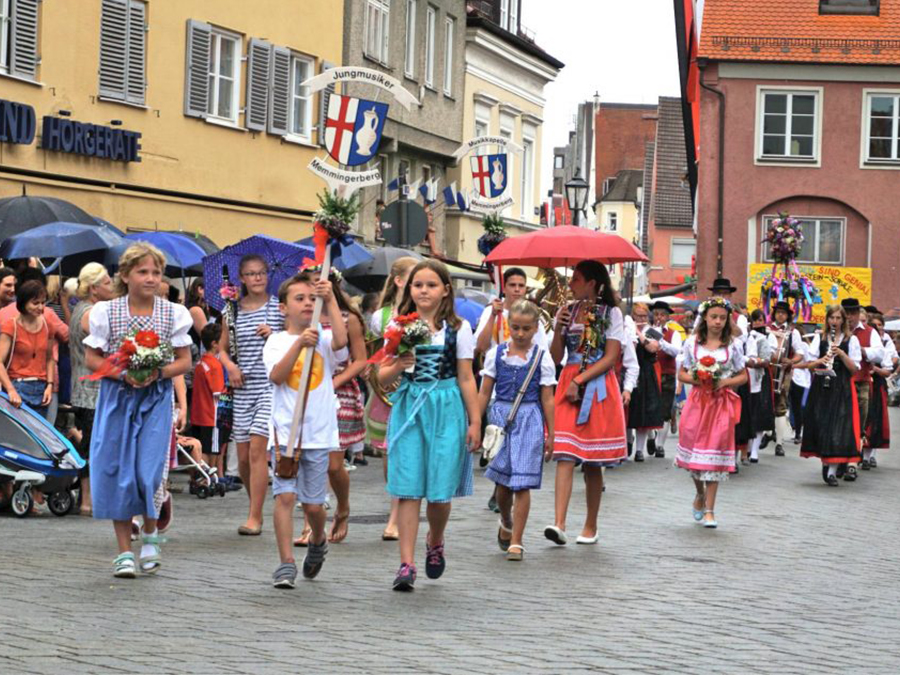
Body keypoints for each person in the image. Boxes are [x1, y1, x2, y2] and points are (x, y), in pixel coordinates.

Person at [84, 243, 193, 577]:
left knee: (148, 471)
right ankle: (123, 552)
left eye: (156, 272)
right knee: (118, 471)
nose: (150, 278)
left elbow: (185, 361)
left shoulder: (173, 313)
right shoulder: (107, 312)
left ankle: (150, 532)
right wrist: (124, 373)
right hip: (117, 398)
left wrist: (157, 373)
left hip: (155, 399)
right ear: (126, 275)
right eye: (143, 272)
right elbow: (93, 358)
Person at [377, 260, 481, 591]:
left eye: (431, 285)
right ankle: (405, 564)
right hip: (411, 407)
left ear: (445, 290)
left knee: (439, 492)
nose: (423, 290)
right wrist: (400, 365)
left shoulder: (459, 328)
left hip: (447, 406)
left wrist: (475, 420)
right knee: (408, 486)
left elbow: (466, 376)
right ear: (408, 289)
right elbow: (381, 375)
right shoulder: (398, 325)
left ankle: (435, 539)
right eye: (418, 284)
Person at [264, 272, 348, 589]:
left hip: (319, 433)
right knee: (284, 497)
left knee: (313, 505)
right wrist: (300, 344)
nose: (306, 303)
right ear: (283, 307)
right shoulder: (276, 340)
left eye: (311, 299)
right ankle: (286, 563)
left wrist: (331, 299)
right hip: (286, 435)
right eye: (299, 299)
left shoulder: (324, 337)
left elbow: (342, 343)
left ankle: (318, 539)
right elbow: (277, 375)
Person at [545, 260, 626, 547]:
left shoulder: (612, 313)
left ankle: (591, 524)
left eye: (576, 279)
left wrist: (580, 381)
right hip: (569, 378)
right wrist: (558, 329)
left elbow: (611, 357)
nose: (570, 284)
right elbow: (555, 358)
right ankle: (559, 523)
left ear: (592, 283)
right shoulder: (567, 311)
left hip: (597, 384)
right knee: (564, 453)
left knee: (592, 461)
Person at [477, 300, 556, 562]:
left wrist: (551, 433)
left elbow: (547, 398)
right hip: (500, 418)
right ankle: (506, 518)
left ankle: (517, 540)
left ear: (536, 329)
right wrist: (476, 422)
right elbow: (485, 391)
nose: (520, 333)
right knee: (502, 482)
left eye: (526, 328)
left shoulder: (542, 359)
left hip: (530, 419)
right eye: (515, 328)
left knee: (522, 483)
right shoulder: (496, 354)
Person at [295, 270, 366, 546]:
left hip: (340, 390)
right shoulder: (302, 319)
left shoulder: (350, 319)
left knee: (334, 465)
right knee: (312, 460)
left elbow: (360, 360)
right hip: (309, 393)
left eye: (319, 282)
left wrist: (334, 381)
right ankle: (311, 524)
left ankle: (343, 507)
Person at [219, 254, 284, 535]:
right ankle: (254, 501)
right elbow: (220, 348)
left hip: (271, 386)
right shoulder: (231, 312)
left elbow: (295, 338)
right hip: (242, 387)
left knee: (258, 451)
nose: (257, 278)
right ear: (242, 279)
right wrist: (230, 365)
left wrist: (275, 335)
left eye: (261, 273)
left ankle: (254, 516)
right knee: (243, 457)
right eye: (251, 273)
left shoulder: (278, 309)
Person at [675, 297, 747, 528]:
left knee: (714, 456)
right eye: (714, 317)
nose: (717, 322)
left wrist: (724, 382)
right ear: (705, 317)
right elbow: (682, 374)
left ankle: (710, 511)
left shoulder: (732, 345)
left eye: (722, 318)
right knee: (695, 459)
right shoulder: (692, 343)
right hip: (697, 404)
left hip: (719, 406)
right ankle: (699, 493)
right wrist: (698, 377)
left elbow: (743, 375)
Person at [366, 256, 418, 541]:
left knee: (403, 451)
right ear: (399, 281)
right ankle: (396, 500)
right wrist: (372, 370)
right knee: (389, 453)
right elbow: (377, 350)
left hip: (411, 387)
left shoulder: (422, 314)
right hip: (388, 388)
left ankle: (396, 515)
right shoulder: (380, 317)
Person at [69, 263, 115, 515]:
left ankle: (88, 498)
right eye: (107, 282)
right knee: (93, 445)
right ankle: (87, 499)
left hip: (84, 387)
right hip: (92, 390)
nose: (112, 287)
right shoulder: (92, 313)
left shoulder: (79, 309)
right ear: (94, 288)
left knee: (90, 442)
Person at [800, 305, 861, 486]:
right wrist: (822, 360)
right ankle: (826, 461)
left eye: (838, 318)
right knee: (821, 423)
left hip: (841, 387)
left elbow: (854, 368)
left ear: (843, 320)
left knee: (838, 426)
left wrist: (841, 353)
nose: (834, 321)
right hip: (822, 386)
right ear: (827, 320)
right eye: (831, 318)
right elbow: (810, 365)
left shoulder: (852, 340)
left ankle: (832, 469)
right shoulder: (820, 338)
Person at [0, 280, 56, 418]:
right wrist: (11, 390)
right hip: (17, 385)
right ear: (23, 303)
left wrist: (50, 385)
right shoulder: (11, 326)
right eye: (35, 303)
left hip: (42, 388)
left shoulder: (48, 325)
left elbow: (50, 359)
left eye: (43, 302)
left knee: (39, 436)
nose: (40, 307)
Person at [842, 297, 883, 482]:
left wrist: (861, 350)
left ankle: (853, 463)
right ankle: (840, 457)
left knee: (859, 422)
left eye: (853, 313)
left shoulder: (869, 332)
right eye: (847, 313)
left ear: (859, 314)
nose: (850, 317)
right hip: (840, 384)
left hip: (861, 383)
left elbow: (880, 354)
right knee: (841, 422)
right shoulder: (837, 332)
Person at [474, 267, 548, 355]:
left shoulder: (532, 314)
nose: (517, 289)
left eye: (521, 285)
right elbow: (481, 347)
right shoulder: (490, 311)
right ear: (504, 288)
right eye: (512, 285)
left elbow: (543, 351)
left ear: (525, 289)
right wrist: (493, 315)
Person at [765, 301, 804, 458]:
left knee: (781, 405)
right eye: (778, 312)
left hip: (783, 372)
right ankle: (766, 433)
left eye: (783, 313)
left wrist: (792, 361)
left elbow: (800, 352)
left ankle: (779, 443)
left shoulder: (793, 332)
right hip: (766, 371)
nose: (780, 315)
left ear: (788, 315)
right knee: (765, 402)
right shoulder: (767, 329)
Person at [626, 303, 664, 462]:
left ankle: (639, 450)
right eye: (638, 316)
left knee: (643, 413)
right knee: (629, 411)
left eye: (643, 316)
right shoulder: (627, 328)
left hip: (646, 373)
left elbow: (652, 348)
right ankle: (628, 442)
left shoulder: (653, 331)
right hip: (629, 372)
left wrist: (638, 333)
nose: (641, 319)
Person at [648, 301, 683, 458]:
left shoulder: (673, 333)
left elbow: (676, 351)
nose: (659, 317)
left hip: (666, 374)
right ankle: (650, 436)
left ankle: (660, 445)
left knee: (665, 409)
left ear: (667, 317)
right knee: (648, 407)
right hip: (649, 373)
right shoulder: (646, 331)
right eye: (656, 314)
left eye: (662, 314)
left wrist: (660, 341)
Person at [191, 324, 226, 477]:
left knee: (198, 449)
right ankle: (207, 479)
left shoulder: (200, 363)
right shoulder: (215, 365)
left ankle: (197, 479)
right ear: (214, 343)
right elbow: (219, 392)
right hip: (211, 416)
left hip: (198, 414)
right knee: (210, 450)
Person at [863, 309, 894, 469]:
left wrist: (875, 370)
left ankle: (868, 456)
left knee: (874, 420)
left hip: (876, 385)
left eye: (879, 326)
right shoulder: (861, 339)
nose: (877, 329)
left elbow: (888, 368)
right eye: (874, 326)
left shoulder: (885, 343)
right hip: (862, 383)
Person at [744, 310, 775, 464]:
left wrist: (759, 360)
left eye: (760, 319)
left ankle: (755, 449)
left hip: (761, 377)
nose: (757, 323)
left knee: (760, 412)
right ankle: (748, 446)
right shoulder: (745, 334)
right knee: (748, 411)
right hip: (745, 376)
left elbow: (770, 357)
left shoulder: (769, 336)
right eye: (754, 320)